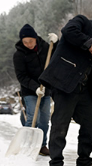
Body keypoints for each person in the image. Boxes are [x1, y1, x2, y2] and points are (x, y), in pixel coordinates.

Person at [39, 12, 92, 166]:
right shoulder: (81, 22)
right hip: (64, 85)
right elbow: (68, 31)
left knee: (89, 124)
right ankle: (56, 164)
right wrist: (88, 44)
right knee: (60, 125)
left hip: (83, 89)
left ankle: (84, 162)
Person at [13, 24, 58, 156]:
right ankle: (28, 145)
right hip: (29, 90)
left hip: (46, 89)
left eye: (30, 41)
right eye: (25, 42)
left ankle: (42, 145)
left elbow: (56, 55)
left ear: (35, 38)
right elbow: (21, 76)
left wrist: (56, 42)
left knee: (44, 120)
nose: (28, 44)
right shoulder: (19, 55)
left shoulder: (45, 47)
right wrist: (35, 87)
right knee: (33, 117)